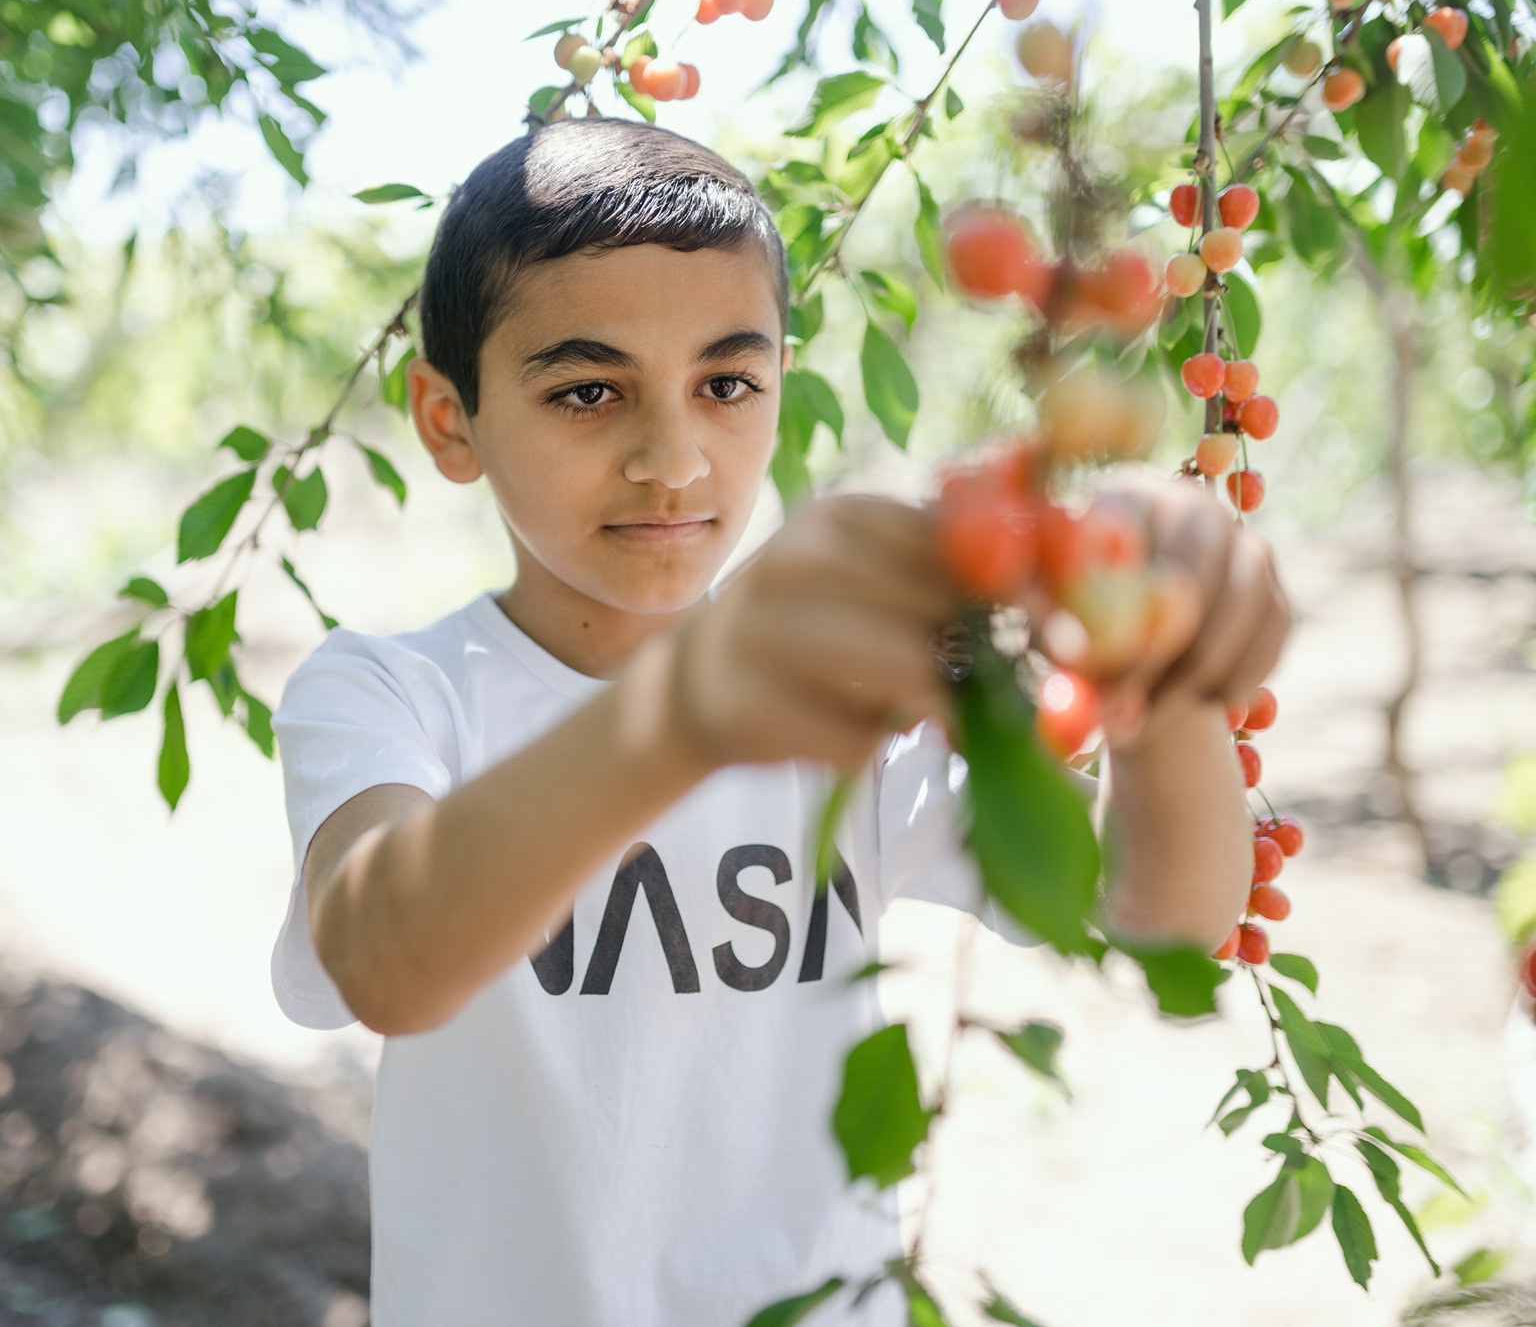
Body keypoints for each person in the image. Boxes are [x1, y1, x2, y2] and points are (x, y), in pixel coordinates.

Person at [267, 117, 1289, 1326]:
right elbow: (385, 952)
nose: (673, 458)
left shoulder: (847, 693)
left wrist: (1159, 683)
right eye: (586, 391)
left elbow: (1160, 916)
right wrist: (696, 700)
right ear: (450, 419)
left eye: (725, 383)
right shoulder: (390, 692)